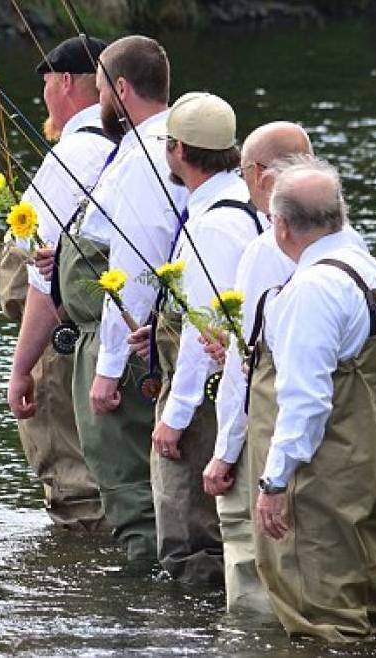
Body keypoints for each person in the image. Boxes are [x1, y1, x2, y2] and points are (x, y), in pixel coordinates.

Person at [248, 159, 376, 642]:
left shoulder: (313, 288)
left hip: (323, 475)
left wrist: (274, 481)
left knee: (321, 622)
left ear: (281, 225)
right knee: (368, 611)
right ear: (340, 214)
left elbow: (305, 400)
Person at [59, 35, 187, 567]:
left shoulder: (143, 158)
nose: (98, 102)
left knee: (130, 488)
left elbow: (132, 270)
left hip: (129, 346)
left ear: (122, 88)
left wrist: (109, 368)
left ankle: (142, 612)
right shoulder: (164, 145)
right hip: (145, 339)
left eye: (103, 90)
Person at [130, 92, 258, 586]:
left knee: (190, 541)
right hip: (228, 387)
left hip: (204, 403)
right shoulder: (244, 206)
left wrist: (174, 419)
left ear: (179, 150)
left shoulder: (213, 225)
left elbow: (202, 333)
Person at [200, 121, 311, 612]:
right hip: (327, 433)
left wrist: (224, 452)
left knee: (250, 558)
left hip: (270, 431)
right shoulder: (347, 241)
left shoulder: (266, 249)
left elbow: (246, 365)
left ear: (260, 175)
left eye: (245, 172)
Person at [6, 36, 112, 529]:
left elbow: (40, 278)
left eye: (47, 83)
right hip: (125, 341)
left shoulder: (73, 155)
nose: (44, 96)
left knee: (73, 483)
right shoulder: (142, 149)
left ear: (66, 82)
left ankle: (79, 588)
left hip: (66, 340)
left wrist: (21, 366)